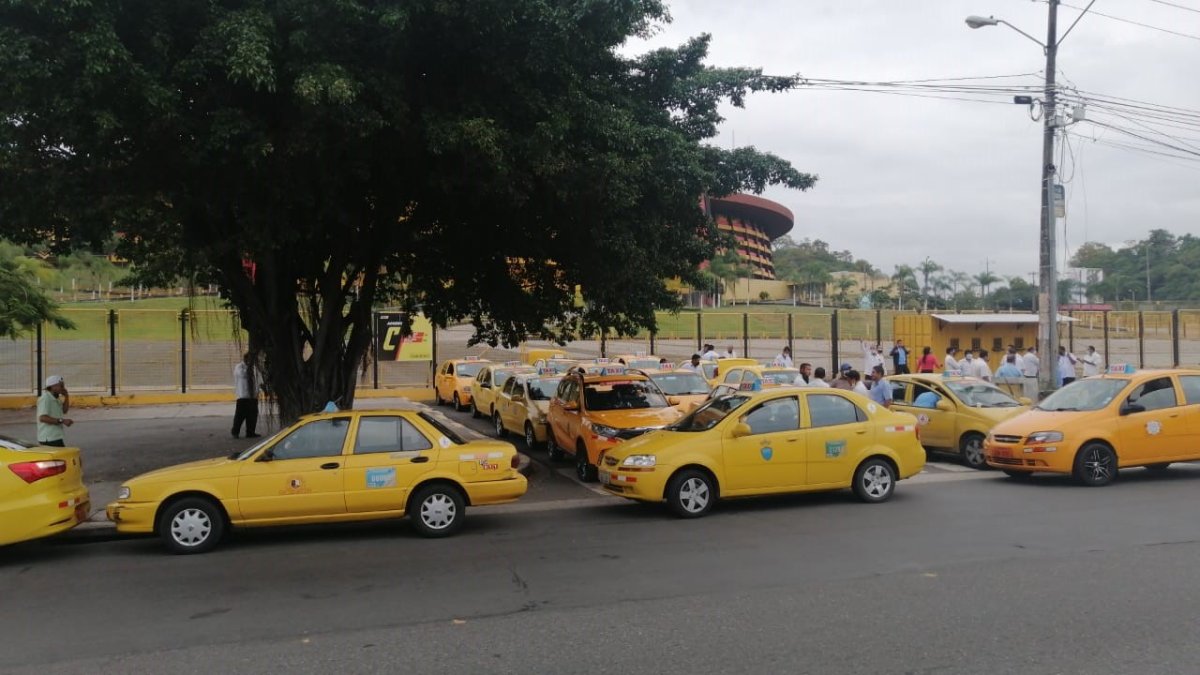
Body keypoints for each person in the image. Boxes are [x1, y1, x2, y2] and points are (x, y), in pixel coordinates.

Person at [36, 375, 73, 447]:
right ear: (53, 387)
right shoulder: (46, 398)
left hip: (55, 436)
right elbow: (42, 418)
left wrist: (66, 396)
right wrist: (62, 421)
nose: (63, 388)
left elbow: (64, 410)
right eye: (61, 386)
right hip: (49, 438)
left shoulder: (56, 398)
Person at [232, 352, 261, 438]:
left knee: (252, 415)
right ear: (246, 359)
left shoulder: (255, 367)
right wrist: (249, 367)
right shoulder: (239, 367)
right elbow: (243, 375)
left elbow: (258, 379)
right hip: (243, 396)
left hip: (253, 396)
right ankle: (235, 432)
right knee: (240, 416)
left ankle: (250, 432)